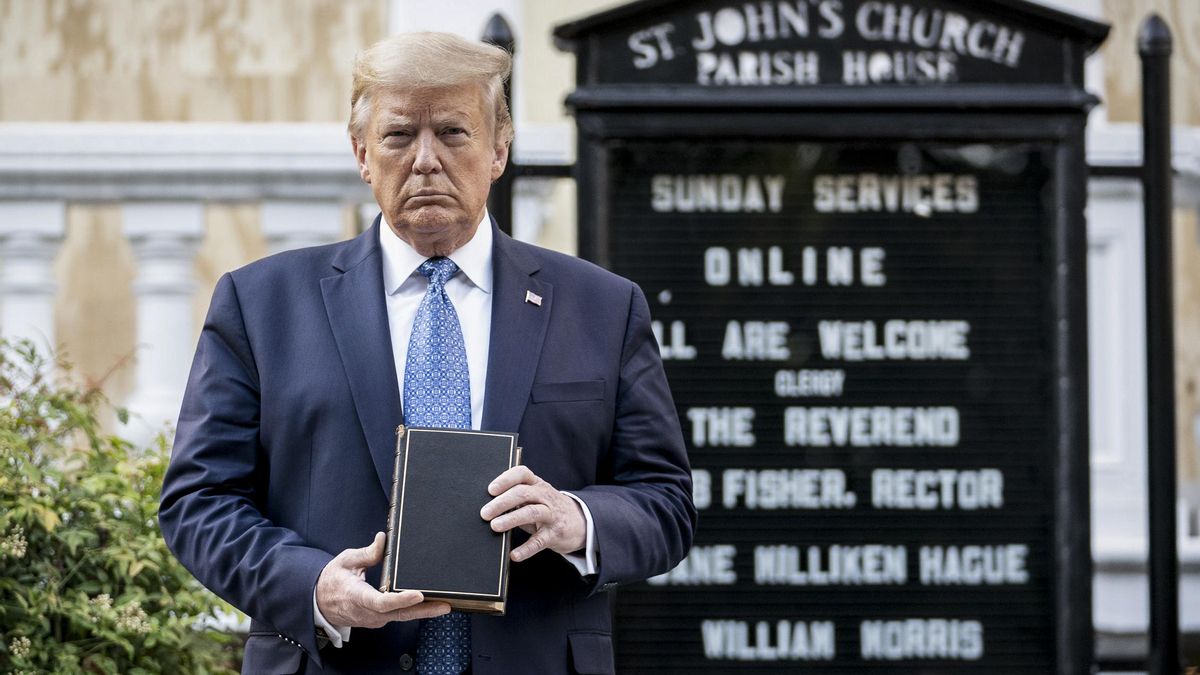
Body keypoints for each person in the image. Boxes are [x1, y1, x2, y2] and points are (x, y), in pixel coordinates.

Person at [159, 31, 695, 675]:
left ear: (500, 148)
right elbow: (198, 501)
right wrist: (312, 586)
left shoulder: (602, 307)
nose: (425, 160)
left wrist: (576, 519)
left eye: (452, 132)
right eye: (397, 136)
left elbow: (664, 504)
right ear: (361, 152)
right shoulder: (261, 303)